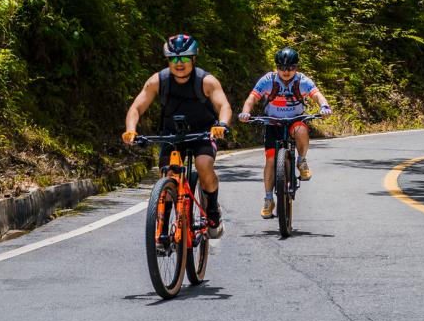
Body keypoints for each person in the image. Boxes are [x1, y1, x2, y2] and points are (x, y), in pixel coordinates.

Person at [122, 33, 232, 237]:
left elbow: (223, 105)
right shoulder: (158, 80)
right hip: (171, 135)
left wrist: (222, 125)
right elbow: (136, 108)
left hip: (203, 133)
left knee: (203, 165)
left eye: (183, 58)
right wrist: (131, 130)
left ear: (193, 59)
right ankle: (163, 231)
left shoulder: (206, 81)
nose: (178, 63)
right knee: (168, 176)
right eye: (173, 58)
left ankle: (213, 211)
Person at [238, 46, 331, 219]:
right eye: (282, 67)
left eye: (290, 68)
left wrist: (324, 106)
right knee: (271, 160)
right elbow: (252, 98)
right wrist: (246, 112)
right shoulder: (268, 80)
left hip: (295, 120)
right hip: (273, 122)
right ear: (276, 67)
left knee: (302, 129)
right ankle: (268, 199)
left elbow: (317, 94)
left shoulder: (302, 80)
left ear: (296, 67)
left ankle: (301, 161)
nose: (286, 71)